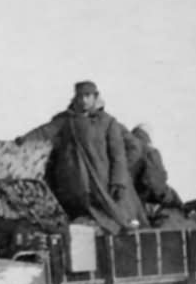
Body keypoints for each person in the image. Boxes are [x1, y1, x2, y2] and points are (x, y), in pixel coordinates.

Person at [19, 80, 147, 233]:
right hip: (76, 182)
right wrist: (23, 140)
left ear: (95, 97)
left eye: (87, 96)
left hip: (101, 182)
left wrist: (118, 180)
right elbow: (45, 131)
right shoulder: (66, 120)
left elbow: (117, 156)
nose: (83, 100)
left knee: (110, 218)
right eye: (80, 96)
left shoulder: (108, 122)